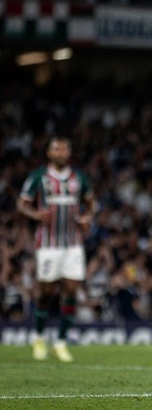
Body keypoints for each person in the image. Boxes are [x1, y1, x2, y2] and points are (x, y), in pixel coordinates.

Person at [16, 136, 96, 362]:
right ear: (49, 153)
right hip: (48, 243)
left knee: (71, 289)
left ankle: (61, 342)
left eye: (64, 149)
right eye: (56, 149)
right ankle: (39, 337)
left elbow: (91, 201)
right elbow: (21, 204)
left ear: (69, 153)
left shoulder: (78, 177)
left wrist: (87, 217)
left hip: (73, 243)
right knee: (46, 292)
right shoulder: (39, 177)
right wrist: (36, 214)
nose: (61, 152)